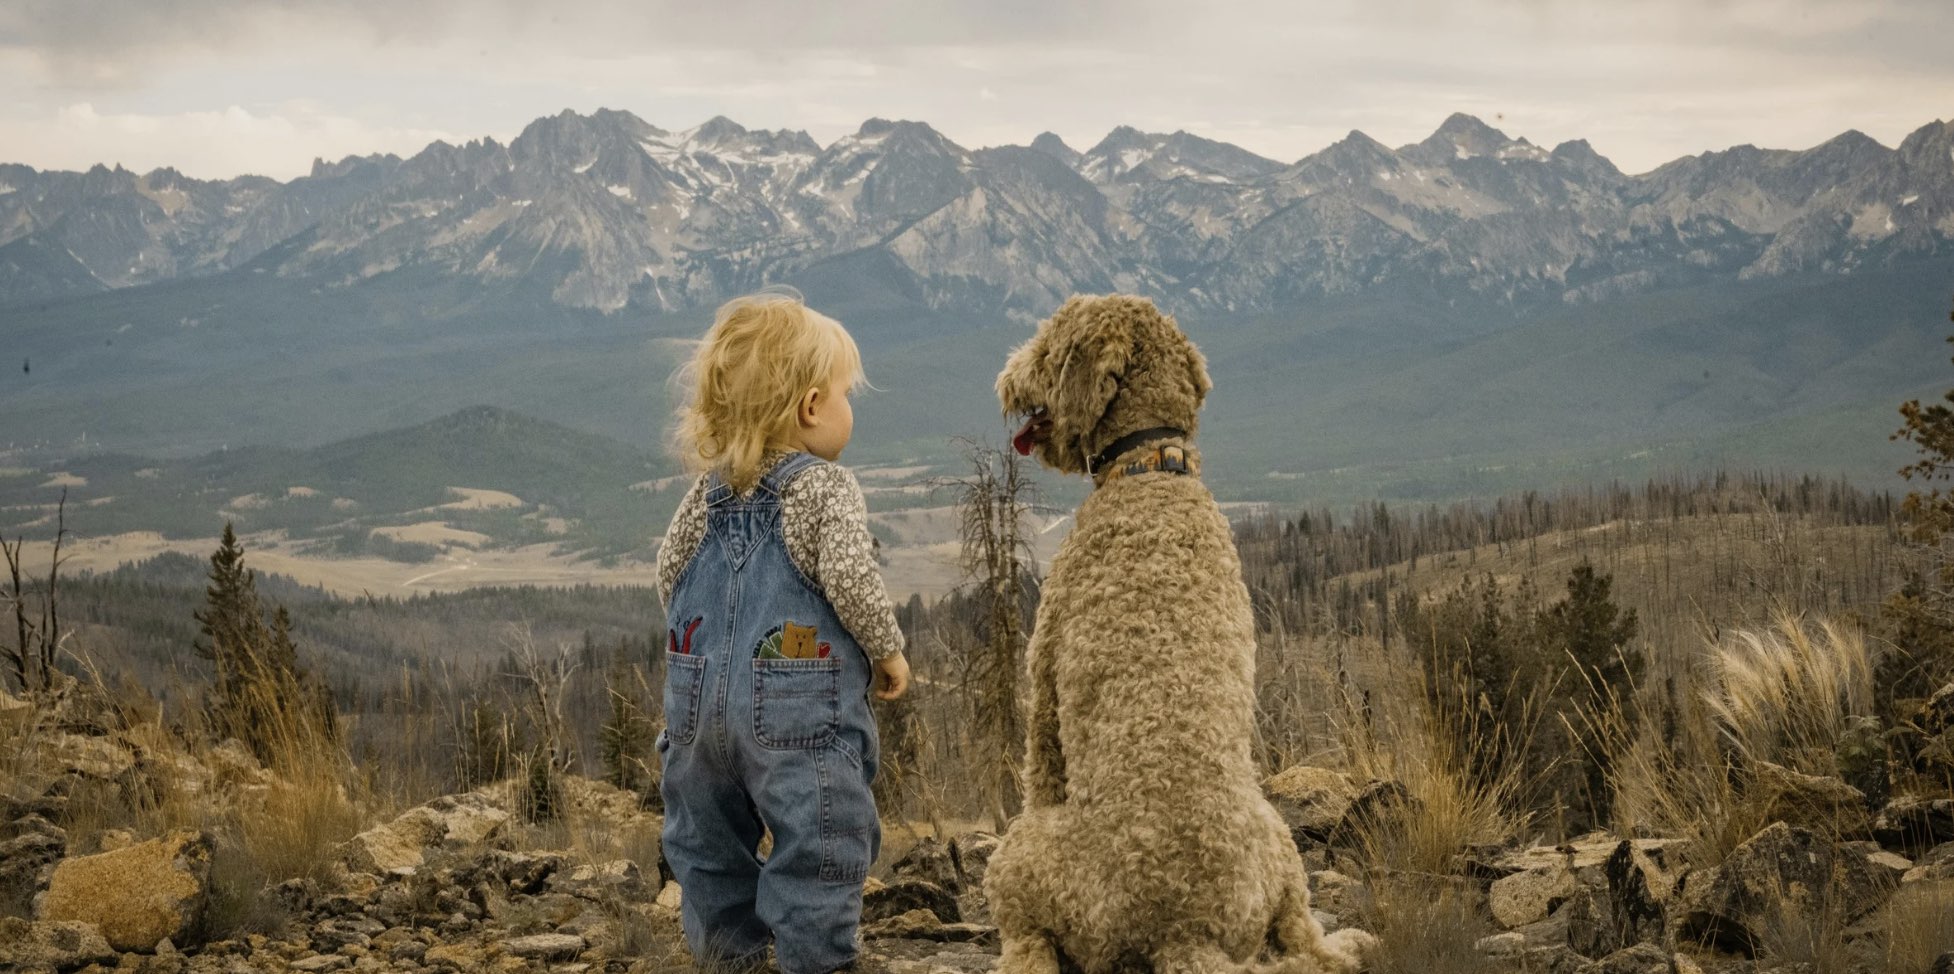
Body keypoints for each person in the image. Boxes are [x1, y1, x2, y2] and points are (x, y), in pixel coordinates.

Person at [656, 288, 911, 974]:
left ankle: (728, 957)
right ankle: (815, 961)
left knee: (706, 842)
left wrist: (712, 655)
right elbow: (851, 580)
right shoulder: (824, 488)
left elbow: (670, 577)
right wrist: (887, 651)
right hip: (795, 710)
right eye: (845, 394)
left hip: (696, 709)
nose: (849, 408)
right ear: (810, 406)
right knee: (821, 835)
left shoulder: (706, 493)